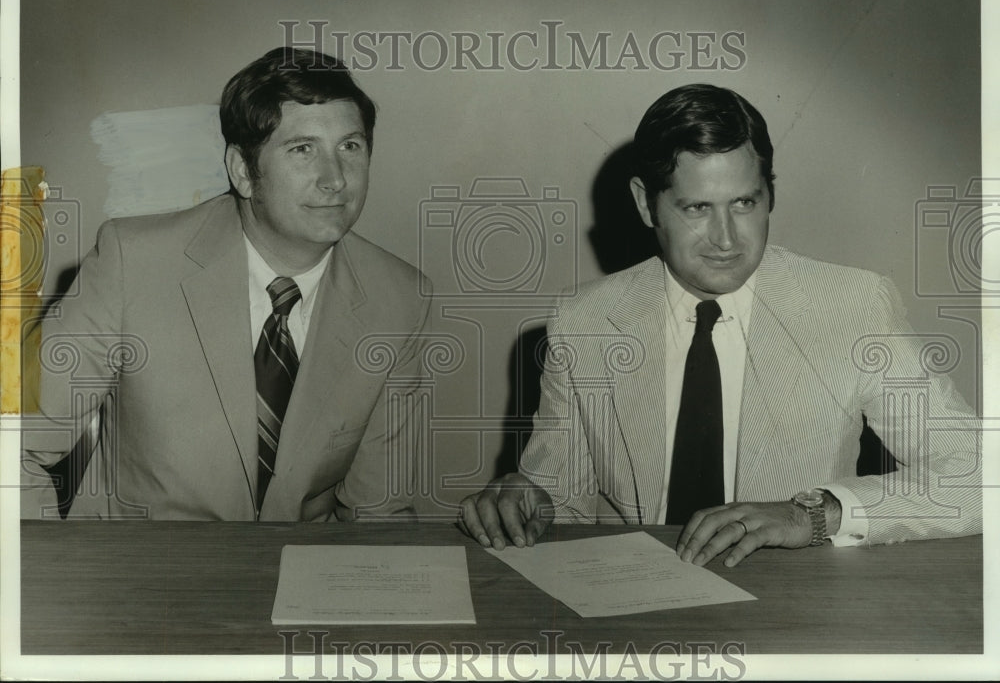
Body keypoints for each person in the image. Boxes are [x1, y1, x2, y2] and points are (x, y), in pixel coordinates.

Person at [458, 84, 981, 566]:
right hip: (636, 610)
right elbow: (558, 497)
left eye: (744, 203)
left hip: (796, 606)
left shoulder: (855, 305)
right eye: (697, 208)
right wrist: (525, 500)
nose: (726, 238)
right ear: (646, 203)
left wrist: (815, 514)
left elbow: (981, 476)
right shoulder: (585, 321)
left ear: (768, 195)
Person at [21, 47, 431, 521]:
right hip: (139, 580)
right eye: (303, 149)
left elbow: (378, 513)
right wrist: (58, 581)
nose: (335, 179)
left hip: (299, 583)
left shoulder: (400, 300)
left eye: (350, 147)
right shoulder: (132, 261)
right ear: (243, 172)